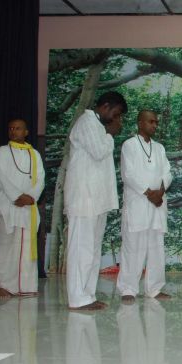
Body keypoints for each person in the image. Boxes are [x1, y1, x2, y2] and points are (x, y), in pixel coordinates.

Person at [64, 91, 127, 310]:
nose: (117, 120)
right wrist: (110, 134)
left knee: (92, 250)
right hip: (83, 198)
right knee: (81, 249)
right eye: (116, 114)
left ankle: (87, 295)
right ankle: (77, 298)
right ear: (105, 106)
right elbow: (99, 151)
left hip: (97, 200)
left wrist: (107, 133)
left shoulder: (99, 127)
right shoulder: (87, 121)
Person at [117, 110, 173, 304]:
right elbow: (128, 174)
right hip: (138, 203)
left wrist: (161, 191)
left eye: (156, 122)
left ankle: (154, 288)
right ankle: (128, 289)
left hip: (157, 204)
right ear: (140, 123)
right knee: (133, 247)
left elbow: (167, 172)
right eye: (151, 121)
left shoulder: (159, 148)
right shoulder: (129, 145)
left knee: (156, 247)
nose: (154, 125)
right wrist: (150, 193)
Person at [0, 118, 45, 298]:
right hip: (7, 206)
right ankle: (5, 285)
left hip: (27, 208)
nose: (13, 131)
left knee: (26, 247)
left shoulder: (34, 154)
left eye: (18, 128)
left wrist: (31, 197)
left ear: (26, 132)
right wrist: (17, 196)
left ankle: (27, 286)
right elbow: (0, 176)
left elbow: (40, 179)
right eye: (11, 128)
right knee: (5, 247)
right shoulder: (2, 152)